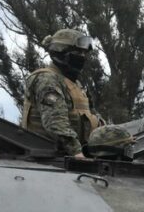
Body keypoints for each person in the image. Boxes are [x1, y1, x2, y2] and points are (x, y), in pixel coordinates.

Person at [21, 29, 104, 158]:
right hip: (48, 158)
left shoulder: (74, 84)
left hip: (72, 157)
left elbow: (93, 117)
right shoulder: (47, 79)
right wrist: (77, 152)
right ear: (60, 52)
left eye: (83, 53)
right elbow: (55, 122)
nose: (82, 56)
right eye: (77, 52)